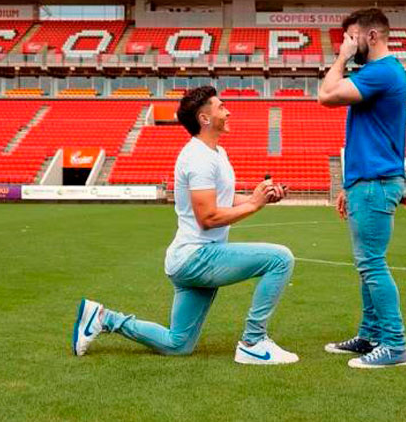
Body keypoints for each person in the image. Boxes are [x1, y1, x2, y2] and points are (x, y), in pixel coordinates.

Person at [72, 86, 299, 365]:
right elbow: (209, 218)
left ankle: (104, 318)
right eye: (220, 107)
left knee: (178, 345)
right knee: (280, 259)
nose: (227, 111)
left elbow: (223, 200)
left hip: (191, 260)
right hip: (196, 257)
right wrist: (253, 205)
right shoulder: (198, 158)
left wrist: (259, 198)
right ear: (204, 119)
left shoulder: (216, 153)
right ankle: (253, 342)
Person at [318, 8, 406, 368]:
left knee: (372, 264)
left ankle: (394, 344)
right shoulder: (379, 72)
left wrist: (341, 57)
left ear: (372, 36)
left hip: (375, 183)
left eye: (352, 37)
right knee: (367, 264)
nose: (347, 43)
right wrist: (348, 185)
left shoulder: (382, 72)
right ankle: (371, 334)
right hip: (366, 181)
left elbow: (324, 96)